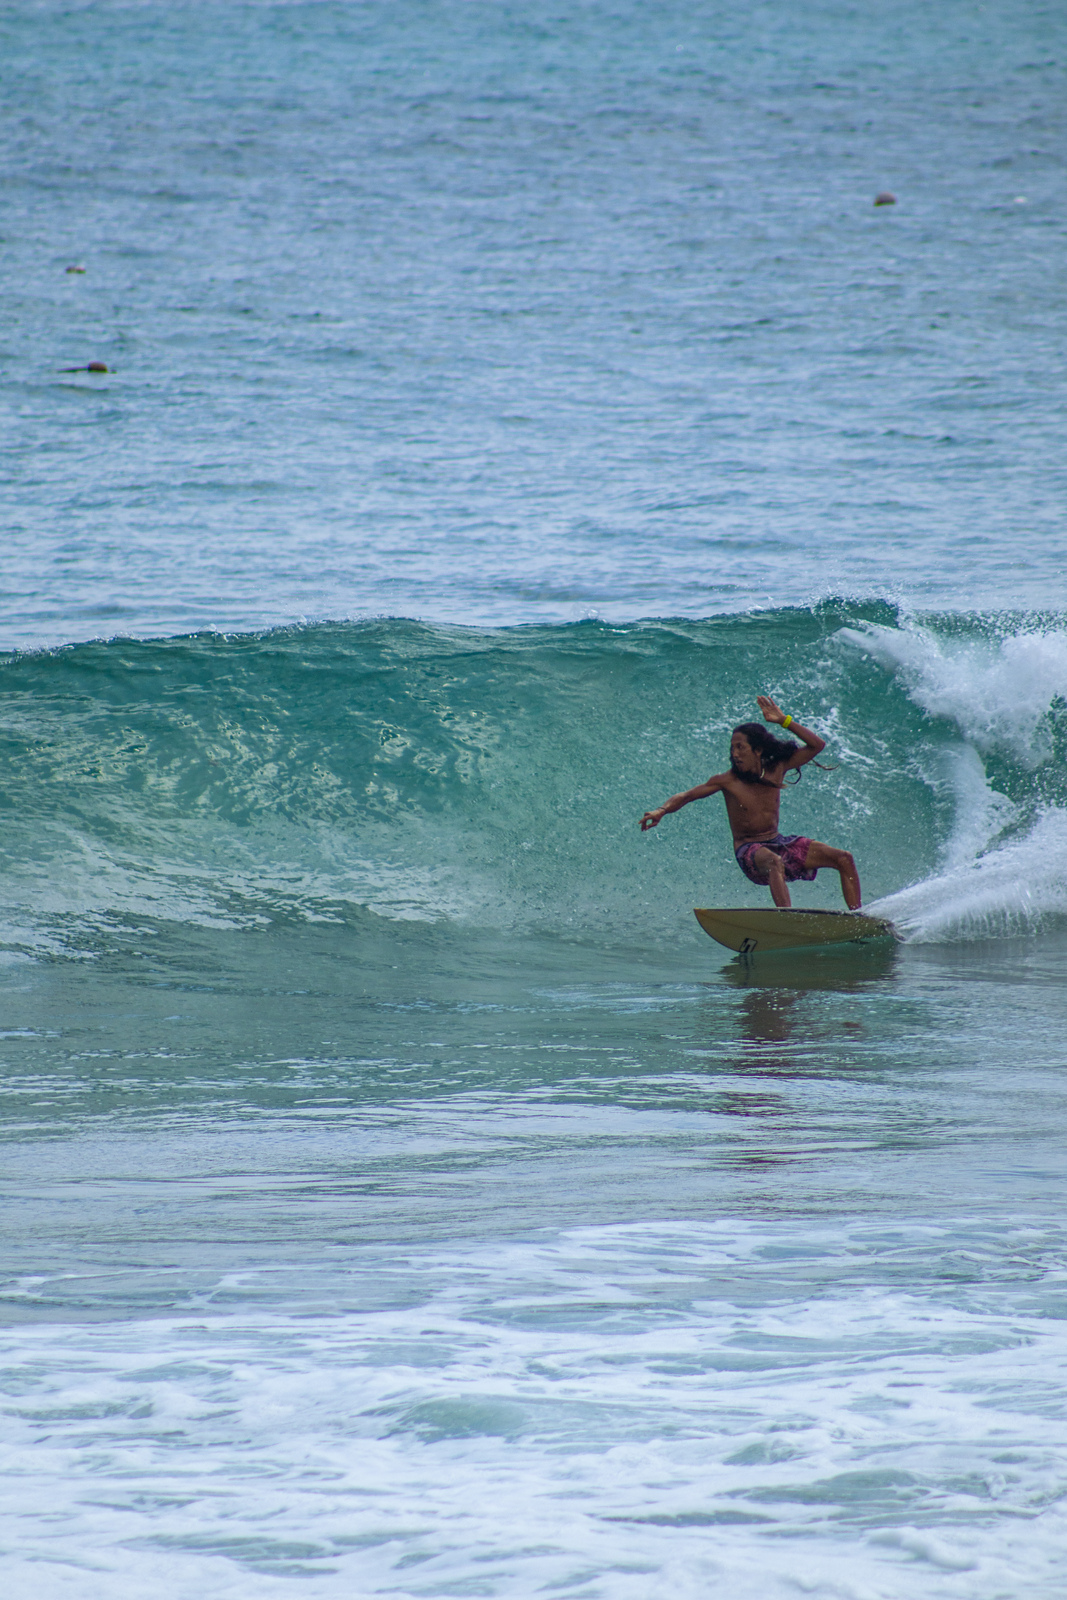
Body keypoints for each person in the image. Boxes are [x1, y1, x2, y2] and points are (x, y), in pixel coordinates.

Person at [640, 696, 861, 910]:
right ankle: (788, 920)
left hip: (778, 841)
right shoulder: (728, 781)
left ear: (758, 750)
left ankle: (858, 919)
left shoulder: (777, 768)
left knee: (843, 858)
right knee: (774, 861)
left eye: (740, 747)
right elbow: (686, 796)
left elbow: (817, 745)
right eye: (732, 748)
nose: (734, 754)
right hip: (749, 852)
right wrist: (661, 810)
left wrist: (784, 720)